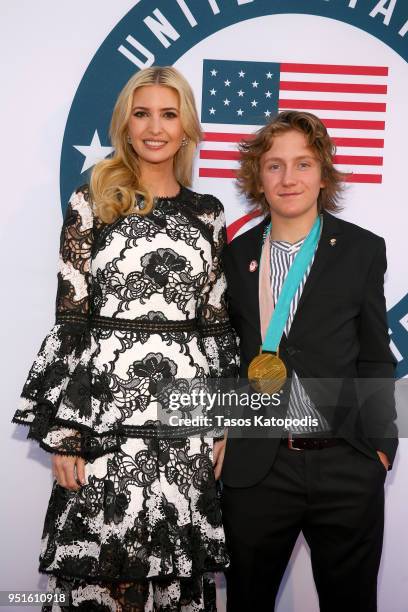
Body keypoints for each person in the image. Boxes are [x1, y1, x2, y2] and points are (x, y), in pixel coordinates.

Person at [12, 66, 238, 611]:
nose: (154, 127)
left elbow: (215, 324)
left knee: (174, 581)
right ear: (124, 124)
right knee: (100, 577)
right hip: (104, 419)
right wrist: (66, 431)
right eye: (142, 114)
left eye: (168, 113)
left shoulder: (208, 213)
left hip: (184, 421)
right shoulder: (92, 200)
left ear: (187, 126)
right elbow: (72, 318)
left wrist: (225, 420)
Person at [220, 110, 398, 612]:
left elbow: (374, 356)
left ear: (324, 173)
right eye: (274, 165)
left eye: (302, 164)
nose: (288, 177)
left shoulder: (362, 249)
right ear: (257, 177)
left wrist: (380, 447)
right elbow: (227, 359)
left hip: (347, 461)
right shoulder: (232, 257)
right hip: (258, 469)